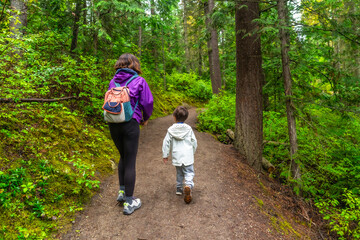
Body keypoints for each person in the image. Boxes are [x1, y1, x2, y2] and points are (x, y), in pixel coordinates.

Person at [107, 53, 153, 215]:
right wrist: (145, 118)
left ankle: (121, 192)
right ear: (134, 65)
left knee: (123, 157)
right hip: (131, 123)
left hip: (113, 123)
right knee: (130, 161)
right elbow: (147, 102)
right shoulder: (139, 81)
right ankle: (129, 202)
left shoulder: (113, 81)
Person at [162, 106, 197, 204]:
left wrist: (165, 155)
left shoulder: (171, 130)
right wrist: (193, 151)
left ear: (174, 117)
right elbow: (194, 141)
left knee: (179, 172)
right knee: (189, 172)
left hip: (177, 155)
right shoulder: (189, 129)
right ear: (186, 118)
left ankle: (179, 189)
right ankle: (188, 186)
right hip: (188, 155)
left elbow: (166, 143)